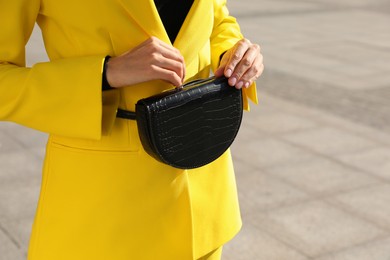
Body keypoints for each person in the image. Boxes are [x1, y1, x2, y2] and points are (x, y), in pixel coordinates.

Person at [0, 0, 263, 259]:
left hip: (203, 197)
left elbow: (216, 18)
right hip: (105, 213)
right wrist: (105, 73)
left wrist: (234, 53)